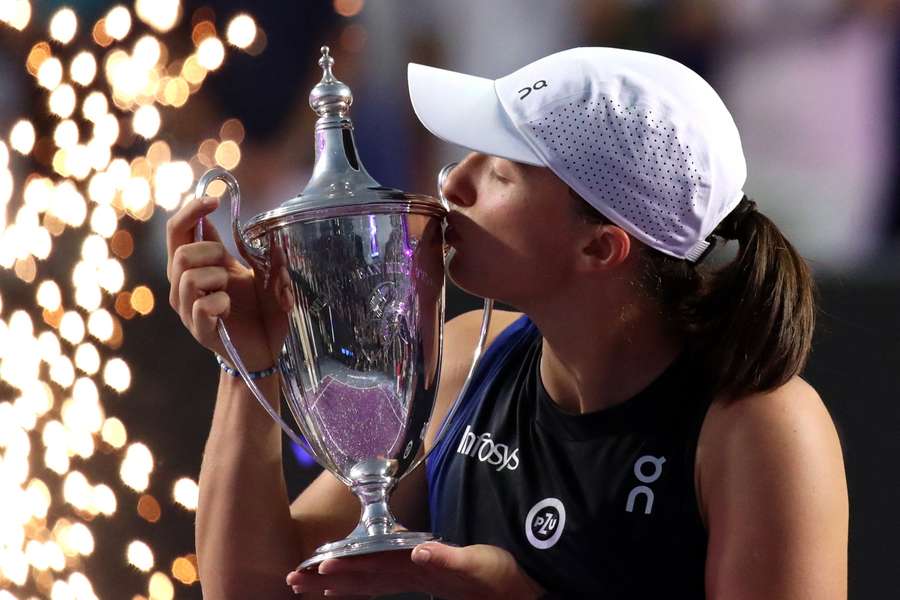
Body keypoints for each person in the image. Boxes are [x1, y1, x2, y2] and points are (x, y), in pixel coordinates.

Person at [166, 47, 848, 599]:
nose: (452, 184)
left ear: (600, 247)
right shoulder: (470, 355)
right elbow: (259, 588)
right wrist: (248, 361)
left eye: (500, 172)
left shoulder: (761, 427)